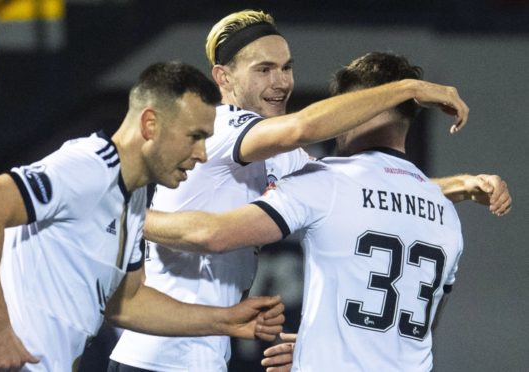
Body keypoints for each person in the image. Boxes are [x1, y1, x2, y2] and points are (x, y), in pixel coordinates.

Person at [109, 10, 511, 372]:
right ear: (223, 77)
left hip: (201, 354)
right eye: (263, 69)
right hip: (159, 356)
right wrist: (407, 89)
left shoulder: (281, 156)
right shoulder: (219, 127)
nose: (281, 81)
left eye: (286, 67)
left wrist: (455, 185)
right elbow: (304, 130)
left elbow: (357, 184)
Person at [0, 61, 286, 372]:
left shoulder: (134, 198)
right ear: (150, 123)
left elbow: (127, 304)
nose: (201, 154)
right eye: (194, 137)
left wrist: (225, 320)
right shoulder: (88, 166)